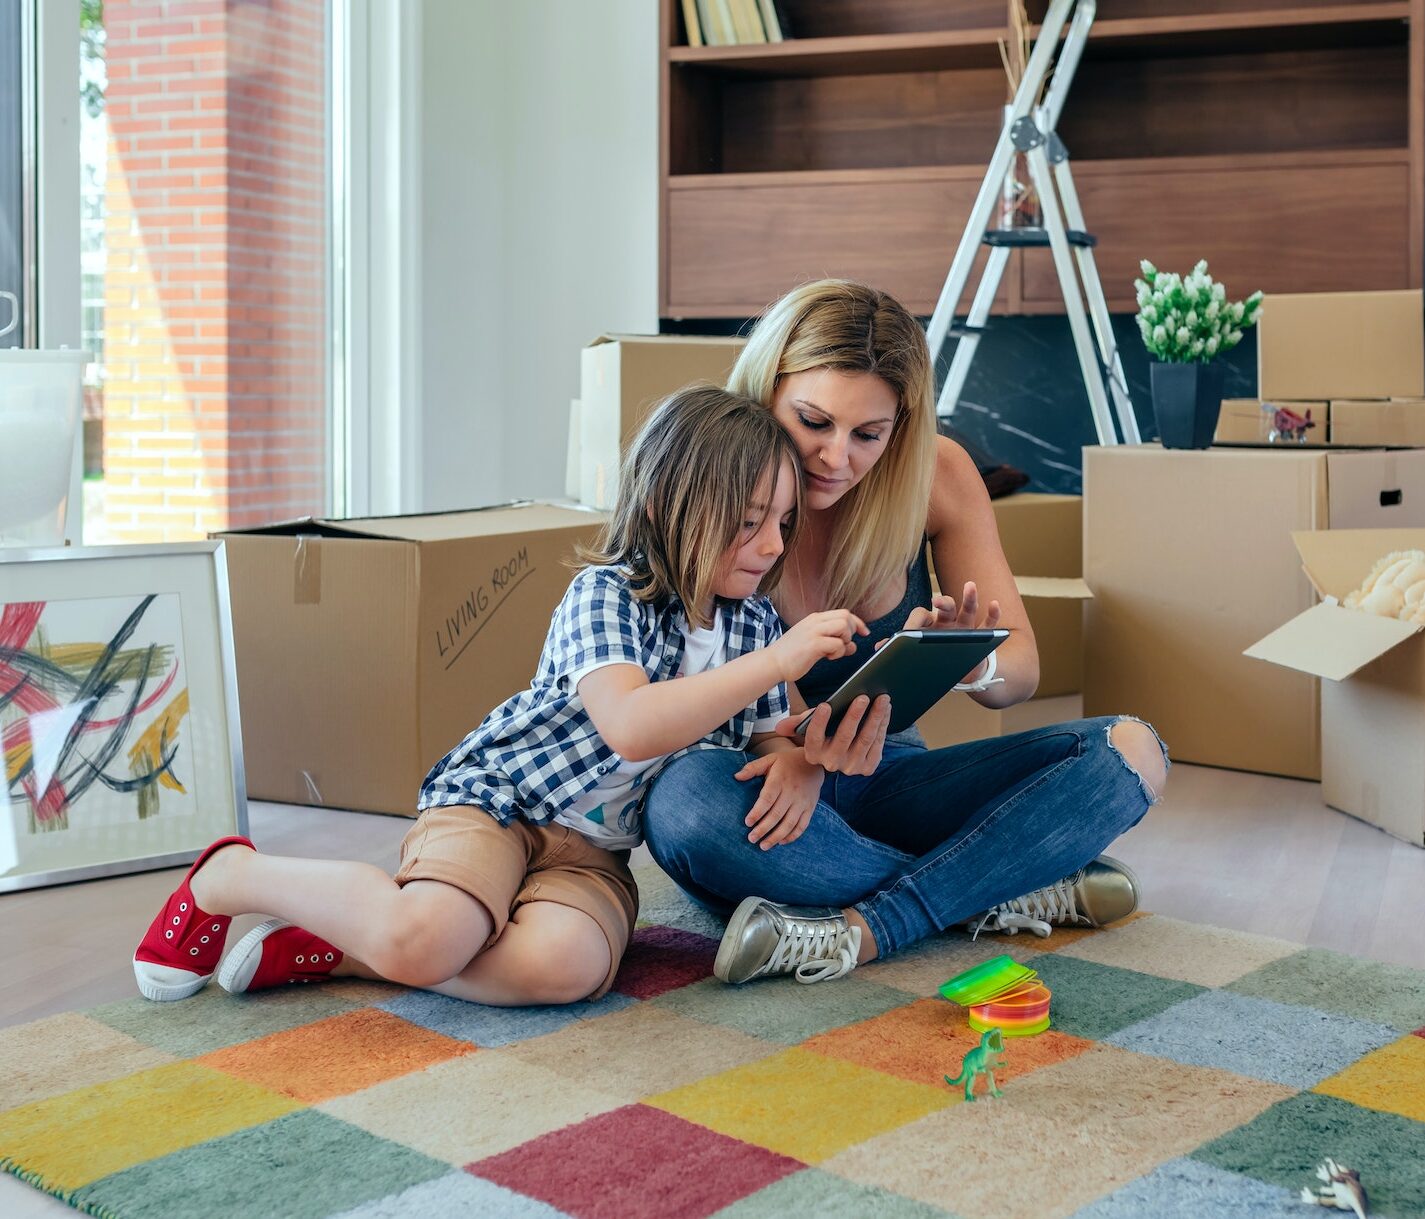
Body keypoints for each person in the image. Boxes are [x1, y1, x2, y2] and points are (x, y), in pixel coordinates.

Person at [132, 385, 869, 1007]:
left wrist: (795, 756)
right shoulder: (607, 595)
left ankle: (350, 949)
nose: (772, 545)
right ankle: (230, 875)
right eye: (747, 523)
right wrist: (778, 658)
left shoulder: (752, 622)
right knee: (428, 938)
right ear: (660, 510)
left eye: (781, 522)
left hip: (593, 851)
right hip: (499, 799)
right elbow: (633, 726)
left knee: (569, 970)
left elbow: (772, 728)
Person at [640, 279, 1170, 986]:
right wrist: (800, 752)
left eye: (868, 435)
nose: (835, 458)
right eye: (812, 421)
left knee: (1130, 750)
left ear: (903, 425)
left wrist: (966, 661)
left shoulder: (936, 475)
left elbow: (1021, 672)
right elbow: (672, 701)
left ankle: (863, 928)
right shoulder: (705, 474)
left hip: (892, 780)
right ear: (767, 389)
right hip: (770, 787)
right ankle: (992, 884)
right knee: (682, 804)